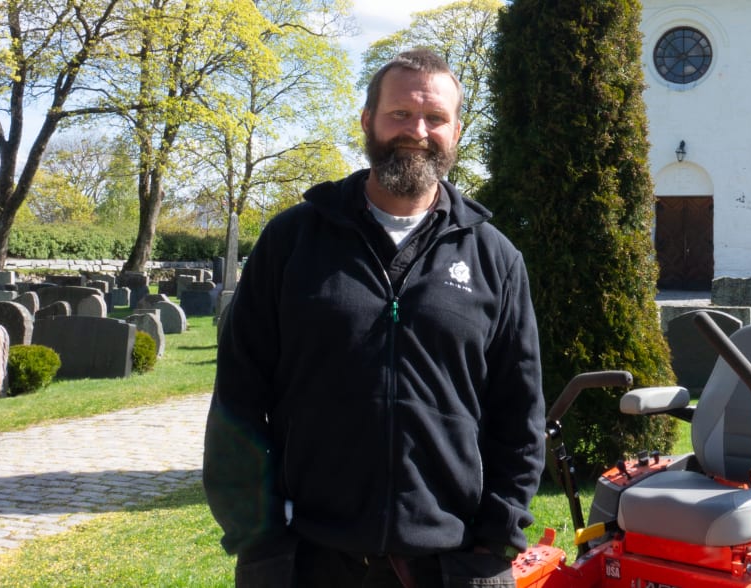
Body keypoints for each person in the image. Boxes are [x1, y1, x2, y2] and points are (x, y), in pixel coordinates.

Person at [203, 48, 545, 588]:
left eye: (435, 118)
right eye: (400, 114)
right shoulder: (292, 241)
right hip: (307, 560)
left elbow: (519, 414)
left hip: (453, 563)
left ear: (456, 130)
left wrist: (496, 536)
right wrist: (258, 532)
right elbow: (238, 399)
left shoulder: (494, 257)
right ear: (367, 121)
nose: (418, 131)